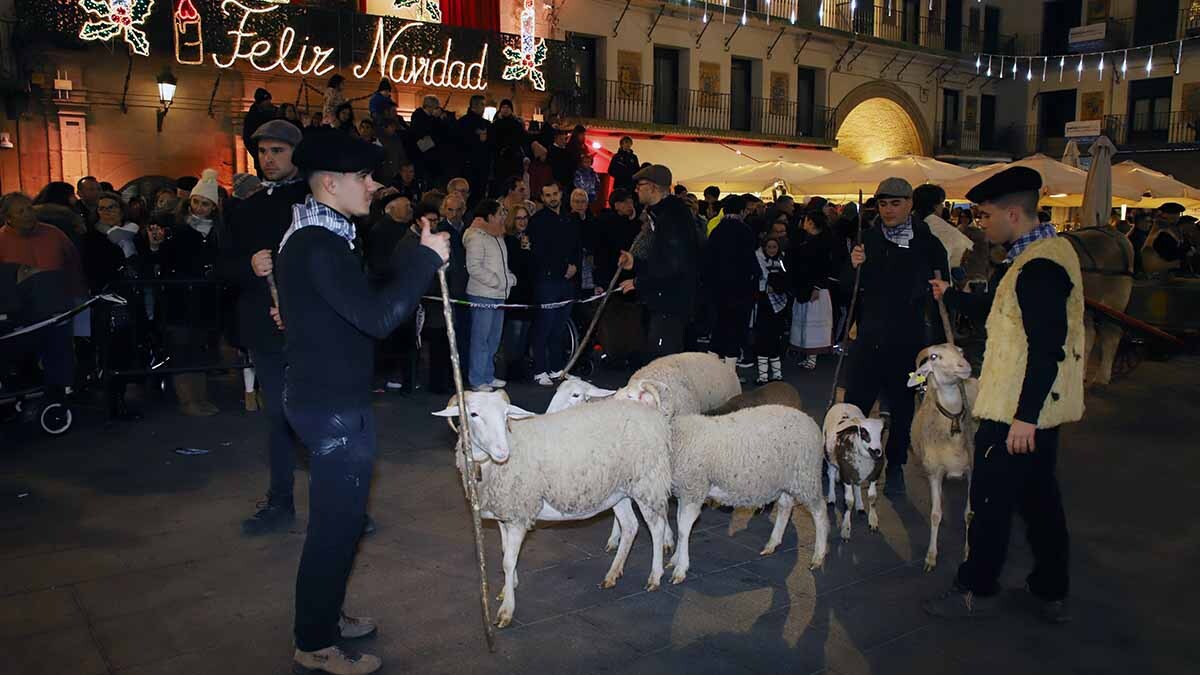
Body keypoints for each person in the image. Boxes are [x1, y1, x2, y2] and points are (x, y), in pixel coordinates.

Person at [276, 128, 448, 674]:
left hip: (329, 396)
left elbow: (363, 296)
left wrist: (412, 258)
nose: (374, 185)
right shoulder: (318, 244)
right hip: (330, 406)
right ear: (331, 182)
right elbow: (376, 318)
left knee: (344, 522)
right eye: (364, 176)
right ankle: (315, 642)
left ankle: (325, 614)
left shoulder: (322, 233)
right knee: (335, 527)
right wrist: (424, 262)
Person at [924, 166, 1083, 624]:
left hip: (1015, 411)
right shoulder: (1036, 257)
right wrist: (952, 295)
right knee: (1038, 500)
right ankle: (1051, 585)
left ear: (1013, 213)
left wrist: (1023, 419)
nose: (981, 222)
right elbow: (1000, 308)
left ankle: (975, 585)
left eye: (986, 213)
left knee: (990, 503)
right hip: (1032, 411)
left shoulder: (1039, 268)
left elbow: (1046, 349)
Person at [217, 120, 312, 534]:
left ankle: (344, 503)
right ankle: (280, 500)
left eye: (278, 151)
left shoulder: (316, 203)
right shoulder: (246, 208)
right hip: (265, 329)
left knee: (318, 419)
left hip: (311, 329)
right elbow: (220, 266)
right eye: (263, 152)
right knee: (277, 416)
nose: (268, 159)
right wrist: (248, 267)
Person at [842, 177, 949, 496]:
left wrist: (936, 345)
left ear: (910, 205)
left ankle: (897, 464)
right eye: (883, 204)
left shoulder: (928, 244)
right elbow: (847, 287)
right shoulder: (866, 239)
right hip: (869, 340)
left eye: (895, 203)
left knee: (903, 408)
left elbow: (941, 295)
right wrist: (852, 265)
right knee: (855, 403)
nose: (888, 210)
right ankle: (848, 460)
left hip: (910, 344)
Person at [0, 192, 84, 410]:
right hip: (20, 316)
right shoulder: (1, 241)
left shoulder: (54, 234)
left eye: (29, 208)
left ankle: (61, 396)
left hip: (57, 308)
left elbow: (73, 264)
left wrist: (79, 297)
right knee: (22, 361)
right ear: (7, 217)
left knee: (60, 352)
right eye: (21, 211)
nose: (28, 214)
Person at [617, 164, 700, 358]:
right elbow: (663, 259)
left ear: (654, 187)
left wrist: (639, 282)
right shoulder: (660, 214)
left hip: (671, 302)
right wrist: (635, 264)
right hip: (663, 299)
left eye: (641, 185)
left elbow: (674, 264)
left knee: (664, 360)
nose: (636, 189)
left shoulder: (672, 217)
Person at [163, 170, 224, 417]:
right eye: (196, 202)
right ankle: (187, 400)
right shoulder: (178, 230)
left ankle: (200, 397)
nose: (199, 208)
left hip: (205, 299)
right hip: (181, 299)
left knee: (200, 349)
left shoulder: (216, 233)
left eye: (205, 204)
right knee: (183, 349)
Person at [527, 182, 581, 385]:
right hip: (547, 281)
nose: (552, 198)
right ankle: (540, 369)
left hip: (567, 282)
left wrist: (574, 266)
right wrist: (562, 269)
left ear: (561, 193)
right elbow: (539, 253)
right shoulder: (537, 221)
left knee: (559, 328)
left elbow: (577, 246)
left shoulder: (570, 219)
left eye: (555, 194)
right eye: (547, 195)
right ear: (542, 197)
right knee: (544, 326)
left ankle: (557, 369)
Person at [464, 199, 516, 391]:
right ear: (490, 215)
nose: (503, 215)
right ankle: (477, 379)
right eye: (500, 212)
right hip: (482, 295)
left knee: (494, 338)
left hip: (499, 295)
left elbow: (502, 265)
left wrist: (509, 278)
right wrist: (499, 281)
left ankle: (487, 374)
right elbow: (474, 268)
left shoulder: (498, 236)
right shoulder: (476, 236)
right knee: (481, 339)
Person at [703, 194, 760, 369]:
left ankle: (712, 370)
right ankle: (730, 372)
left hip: (718, 289)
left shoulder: (716, 230)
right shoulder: (745, 231)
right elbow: (751, 261)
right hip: (740, 289)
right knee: (736, 328)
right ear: (742, 211)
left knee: (719, 327)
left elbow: (708, 260)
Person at [788, 210, 835, 370]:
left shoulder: (822, 242)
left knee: (812, 323)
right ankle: (808, 355)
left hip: (816, 289)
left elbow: (824, 268)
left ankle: (812, 357)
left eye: (806, 220)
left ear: (811, 222)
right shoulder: (807, 239)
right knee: (805, 322)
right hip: (805, 287)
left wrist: (817, 286)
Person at [502, 204, 535, 379]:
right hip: (514, 293)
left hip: (529, 293)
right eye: (519, 218)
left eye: (525, 218)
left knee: (524, 333)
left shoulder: (529, 238)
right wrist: (525, 250)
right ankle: (511, 369)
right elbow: (515, 266)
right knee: (514, 332)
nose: (522, 222)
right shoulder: (508, 240)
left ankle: (520, 367)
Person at [752, 235, 790, 384]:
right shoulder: (758, 260)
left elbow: (787, 278)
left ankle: (777, 374)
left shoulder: (783, 261)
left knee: (775, 339)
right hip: (764, 304)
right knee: (763, 339)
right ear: (764, 248)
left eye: (775, 247)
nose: (772, 250)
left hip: (779, 307)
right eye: (769, 247)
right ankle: (763, 375)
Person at [914, 184, 974, 272]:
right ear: (935, 206)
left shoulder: (908, 226)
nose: (942, 206)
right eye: (941, 203)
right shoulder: (944, 229)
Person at [1141, 201, 1196, 275]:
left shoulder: (1162, 229)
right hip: (1164, 275)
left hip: (1165, 273)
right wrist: (1186, 248)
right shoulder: (1162, 233)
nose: (1178, 217)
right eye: (1176, 214)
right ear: (1167, 215)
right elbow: (1170, 255)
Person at [458, 94, 491, 207]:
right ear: (475, 105)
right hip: (472, 167)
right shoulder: (465, 123)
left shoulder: (463, 122)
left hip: (475, 167)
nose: (484, 108)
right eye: (482, 105)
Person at [243, 88, 276, 176]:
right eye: (266, 101)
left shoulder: (274, 112)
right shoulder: (252, 117)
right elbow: (248, 138)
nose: (268, 102)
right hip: (261, 155)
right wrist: (257, 154)